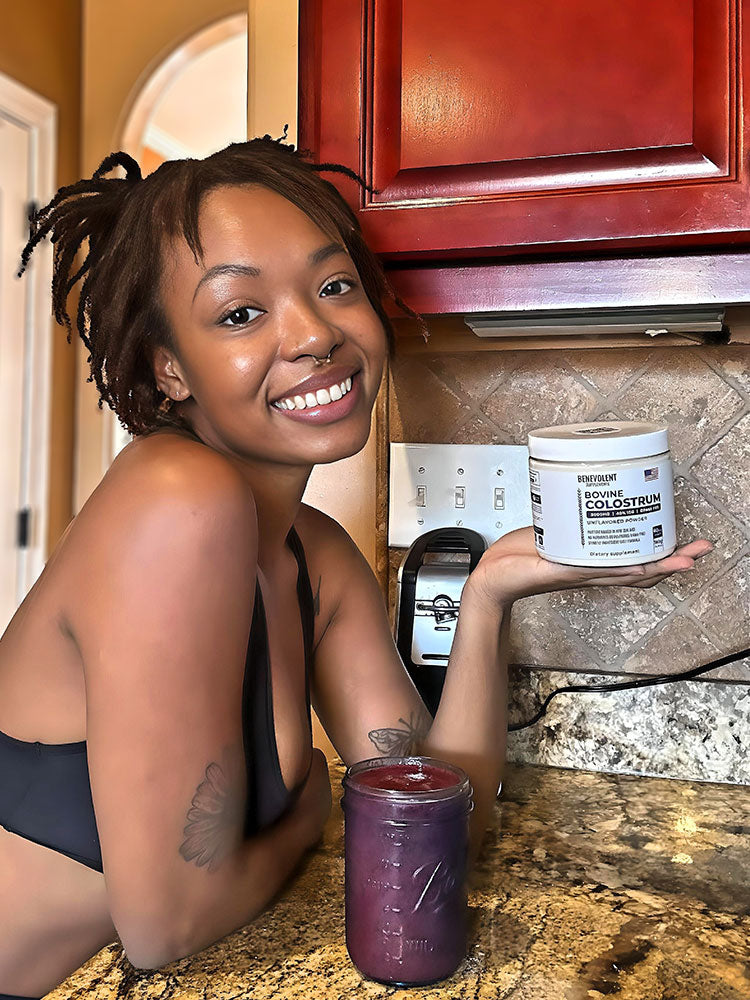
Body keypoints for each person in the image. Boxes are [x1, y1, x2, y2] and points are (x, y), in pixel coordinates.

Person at [0, 137, 712, 999]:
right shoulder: (173, 497)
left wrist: (488, 594)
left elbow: (438, 822)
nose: (314, 334)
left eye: (333, 286)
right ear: (169, 370)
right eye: (239, 313)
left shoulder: (316, 554)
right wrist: (308, 825)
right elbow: (166, 927)